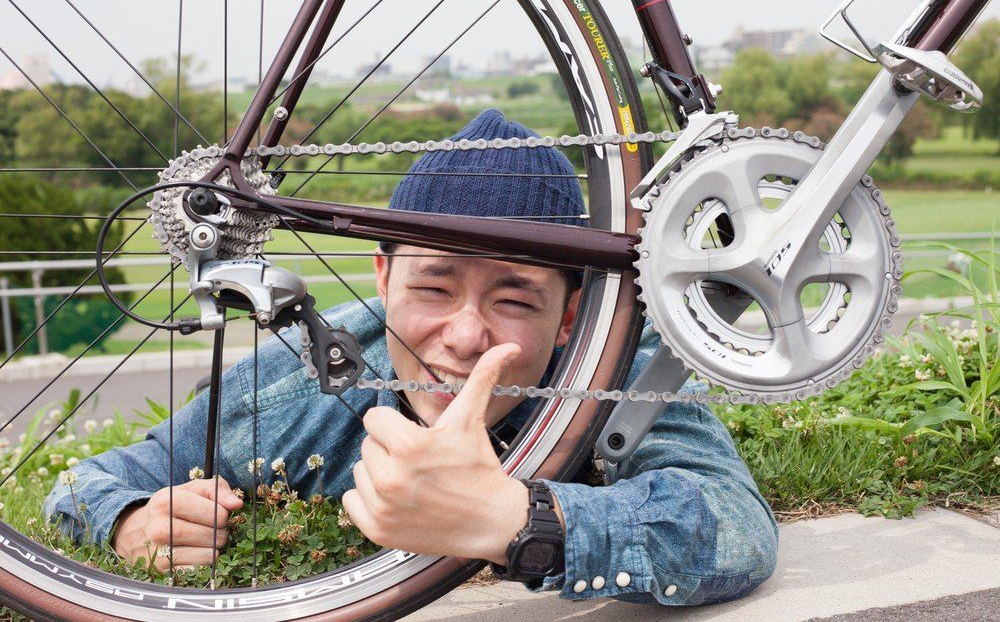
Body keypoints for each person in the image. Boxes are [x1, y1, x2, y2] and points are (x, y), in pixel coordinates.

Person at [45, 109, 777, 605]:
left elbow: (736, 526)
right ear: (384, 279)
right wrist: (129, 519)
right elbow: (96, 478)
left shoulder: (619, 365)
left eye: (515, 299)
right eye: (433, 284)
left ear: (571, 317)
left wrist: (519, 522)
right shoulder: (293, 383)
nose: (464, 336)